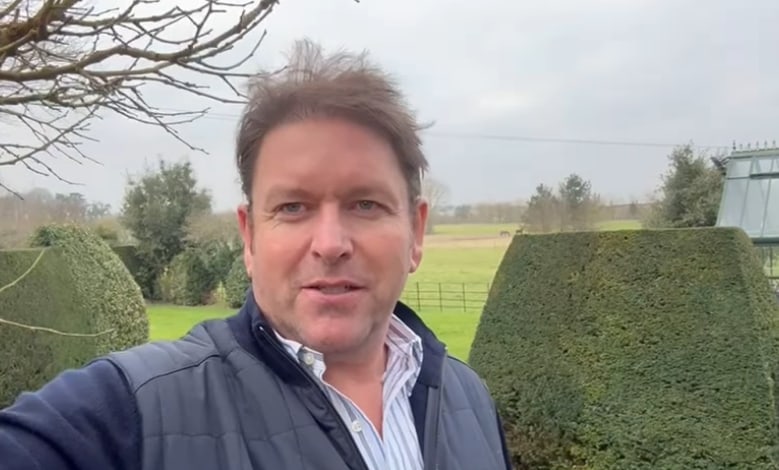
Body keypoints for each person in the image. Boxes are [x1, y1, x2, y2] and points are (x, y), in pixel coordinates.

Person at [0, 39, 513, 470]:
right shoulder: (137, 408)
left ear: (416, 231)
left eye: (365, 204)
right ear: (248, 237)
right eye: (293, 207)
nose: (331, 243)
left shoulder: (468, 399)